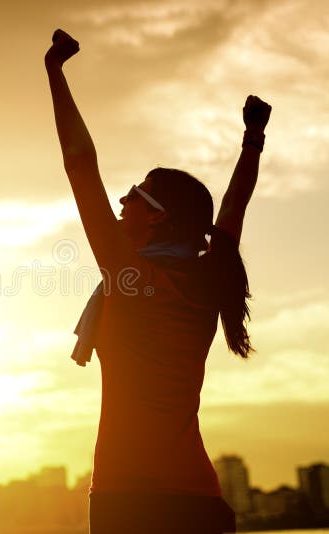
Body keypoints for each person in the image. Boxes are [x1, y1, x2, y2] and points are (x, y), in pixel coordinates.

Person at [45, 29, 271, 533]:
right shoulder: (210, 276)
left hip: (128, 499)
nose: (122, 203)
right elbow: (233, 208)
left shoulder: (128, 274)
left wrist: (55, 74)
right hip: (199, 501)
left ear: (157, 218)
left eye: (134, 195)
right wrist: (252, 139)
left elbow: (79, 163)